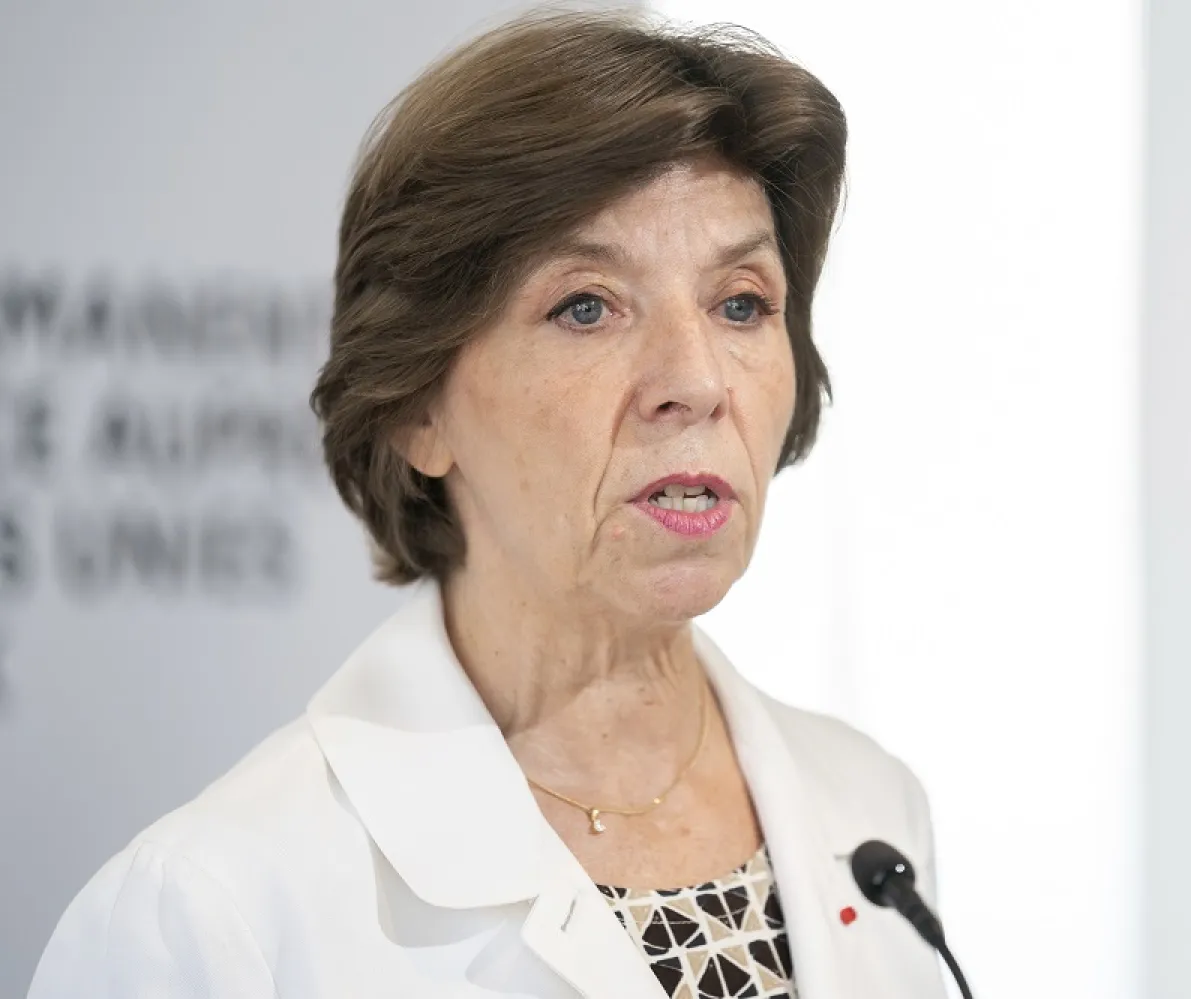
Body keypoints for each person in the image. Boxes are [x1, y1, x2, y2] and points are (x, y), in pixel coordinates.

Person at [29, 12, 944, 998]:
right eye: (586, 305)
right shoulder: (212, 912)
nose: (697, 379)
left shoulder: (868, 807)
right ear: (420, 407)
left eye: (741, 303)